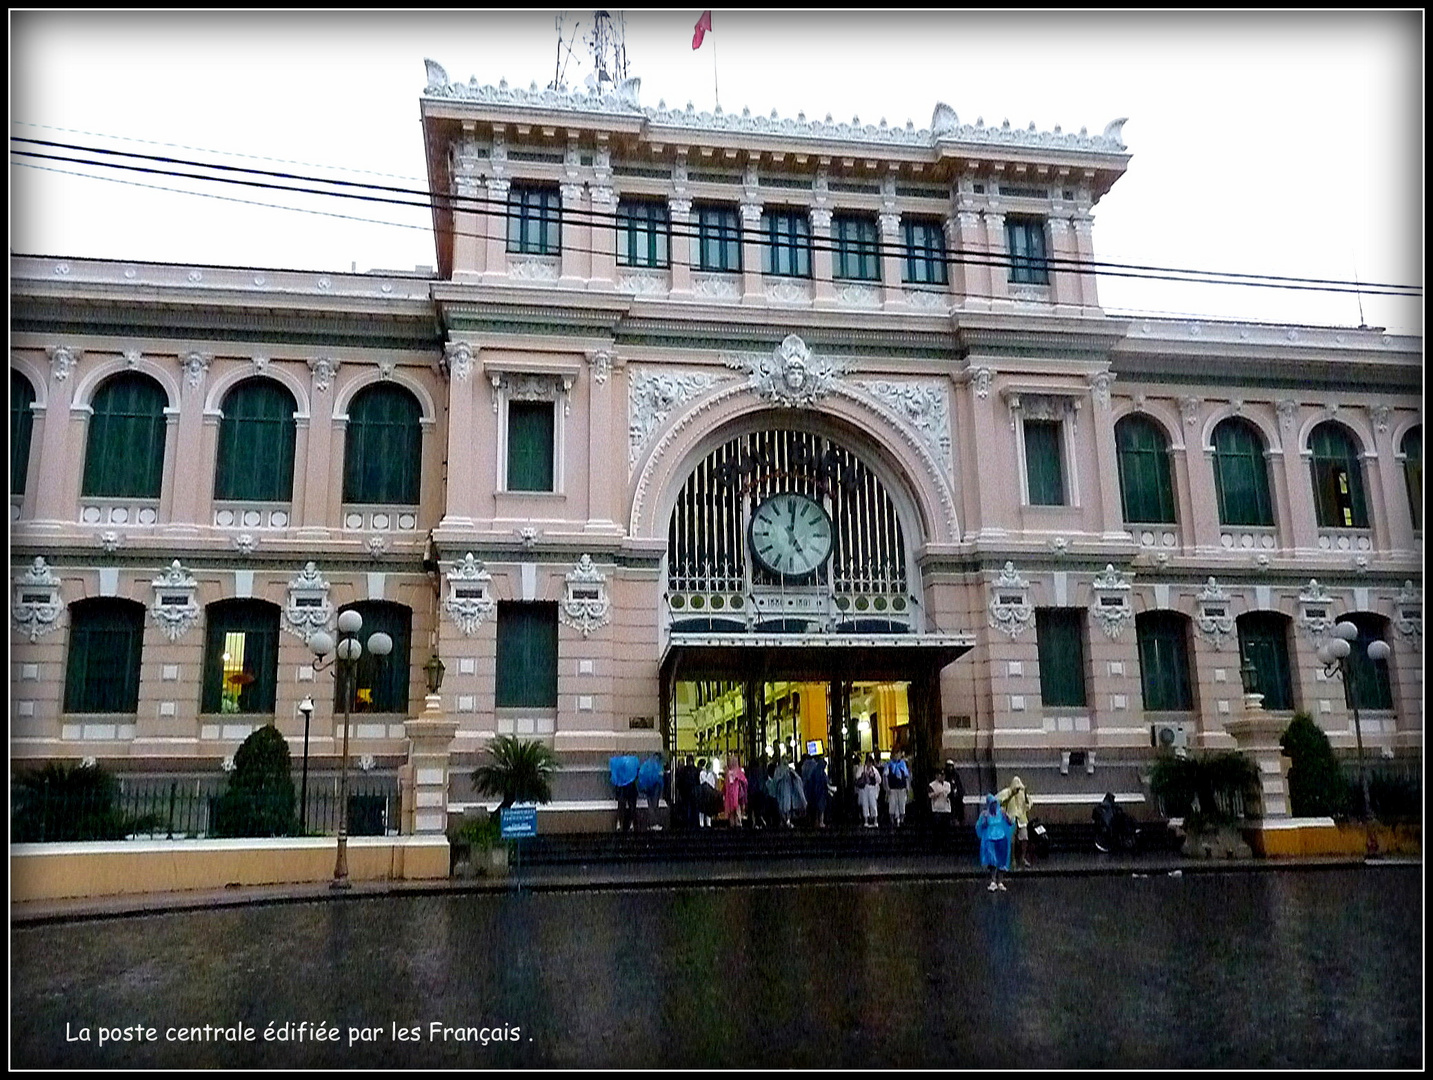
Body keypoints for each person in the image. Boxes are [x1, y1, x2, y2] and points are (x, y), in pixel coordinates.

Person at [975, 793, 1015, 891]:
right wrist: (984, 819)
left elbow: (1010, 823)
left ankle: (1000, 881)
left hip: (1001, 838)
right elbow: (981, 827)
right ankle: (993, 881)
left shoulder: (1001, 812)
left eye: (994, 803)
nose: (993, 805)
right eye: (991, 803)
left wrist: (1007, 817)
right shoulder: (985, 814)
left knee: (1002, 860)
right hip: (990, 839)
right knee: (992, 860)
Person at [997, 775, 1033, 867]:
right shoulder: (1007, 792)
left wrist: (1025, 794)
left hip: (1022, 819)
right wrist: (1011, 794)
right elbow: (998, 801)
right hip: (1010, 819)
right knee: (1011, 840)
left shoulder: (1023, 794)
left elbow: (1028, 805)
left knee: (1024, 838)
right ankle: (1012, 858)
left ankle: (1022, 858)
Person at [609, 753, 640, 833]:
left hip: (622, 788)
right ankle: (631, 824)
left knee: (621, 806)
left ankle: (620, 824)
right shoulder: (633, 762)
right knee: (632, 807)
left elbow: (613, 777)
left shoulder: (617, 764)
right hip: (631, 787)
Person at [637, 752, 666, 831]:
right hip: (655, 787)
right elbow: (660, 777)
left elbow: (641, 774)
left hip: (647, 787)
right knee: (654, 806)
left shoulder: (647, 763)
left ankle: (650, 824)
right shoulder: (658, 765)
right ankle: (654, 823)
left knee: (650, 805)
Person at [885, 748, 911, 828]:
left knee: (902, 804)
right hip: (893, 787)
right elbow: (885, 776)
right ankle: (892, 821)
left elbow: (906, 776)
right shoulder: (889, 764)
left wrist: (907, 786)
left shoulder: (903, 763)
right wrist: (887, 787)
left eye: (899, 754)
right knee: (892, 804)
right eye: (896, 754)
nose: (897, 755)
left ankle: (902, 820)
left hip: (901, 787)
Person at [855, 753, 882, 828]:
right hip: (864, 789)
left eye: (870, 762)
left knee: (873, 804)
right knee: (865, 804)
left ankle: (875, 820)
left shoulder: (874, 770)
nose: (869, 763)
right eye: (868, 762)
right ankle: (866, 820)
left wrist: (873, 777)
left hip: (871, 789)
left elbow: (879, 780)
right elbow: (857, 777)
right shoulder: (862, 768)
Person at [804, 754, 831, 828]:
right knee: (821, 808)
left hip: (814, 792)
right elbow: (826, 781)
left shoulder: (813, 772)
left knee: (815, 808)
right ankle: (821, 821)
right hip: (821, 792)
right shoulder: (821, 773)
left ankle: (816, 822)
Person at [928, 767, 953, 847]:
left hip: (946, 808)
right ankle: (937, 844)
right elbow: (930, 795)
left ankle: (946, 844)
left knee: (946, 828)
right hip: (937, 809)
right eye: (940, 775)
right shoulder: (932, 785)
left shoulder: (947, 784)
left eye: (943, 775)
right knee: (937, 828)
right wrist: (938, 794)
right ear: (936, 775)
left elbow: (950, 793)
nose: (942, 777)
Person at [675, 755, 700, 830]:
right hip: (695, 793)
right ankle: (695, 824)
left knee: (687, 809)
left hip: (686, 793)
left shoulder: (683, 771)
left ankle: (688, 825)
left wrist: (681, 792)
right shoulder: (696, 770)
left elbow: (679, 783)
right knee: (694, 809)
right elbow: (699, 782)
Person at [724, 753, 748, 828]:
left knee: (731, 811)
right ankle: (738, 822)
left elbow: (726, 785)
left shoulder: (728, 773)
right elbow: (745, 782)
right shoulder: (739, 772)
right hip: (737, 795)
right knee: (737, 809)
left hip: (730, 795)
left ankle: (733, 823)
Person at [698, 757, 720, 828]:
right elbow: (712, 784)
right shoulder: (706, 774)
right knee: (705, 807)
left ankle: (705, 822)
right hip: (707, 792)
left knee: (705, 808)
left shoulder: (703, 773)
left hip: (705, 792)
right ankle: (706, 823)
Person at [946, 760, 966, 827]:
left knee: (959, 809)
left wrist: (960, 793)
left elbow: (959, 784)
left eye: (951, 766)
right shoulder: (946, 775)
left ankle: (960, 821)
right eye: (948, 766)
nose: (950, 768)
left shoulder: (956, 775)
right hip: (950, 797)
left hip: (957, 796)